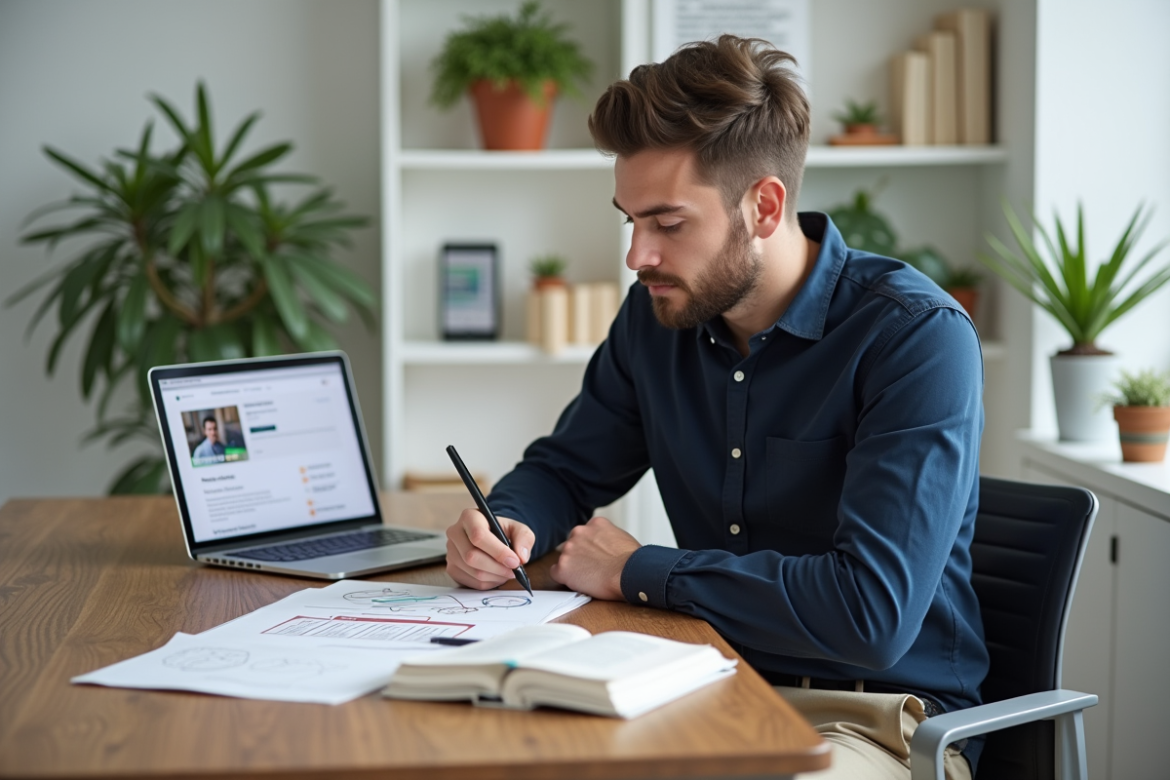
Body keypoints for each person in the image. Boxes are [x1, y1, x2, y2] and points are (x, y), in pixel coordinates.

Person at [444, 35, 985, 780]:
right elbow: (568, 468)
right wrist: (507, 522)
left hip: (879, 721)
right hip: (701, 682)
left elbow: (871, 615)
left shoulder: (914, 338)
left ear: (763, 206)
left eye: (667, 224)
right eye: (630, 220)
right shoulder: (656, 318)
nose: (638, 256)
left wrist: (641, 571)